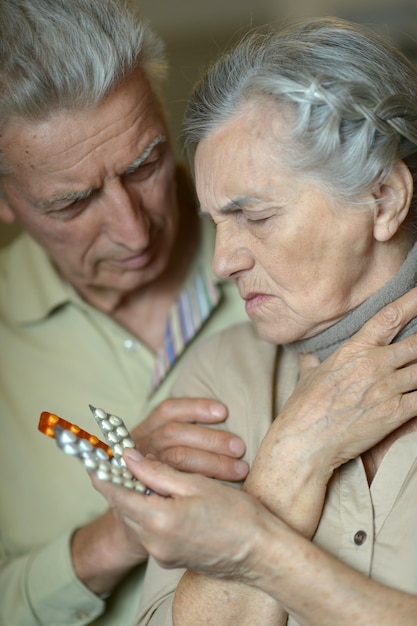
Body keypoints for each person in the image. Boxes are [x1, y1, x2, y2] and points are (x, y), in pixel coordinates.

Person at [90, 16, 417, 626]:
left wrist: (255, 546)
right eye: (217, 222)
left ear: (384, 200)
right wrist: (290, 459)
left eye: (256, 217)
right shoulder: (219, 376)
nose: (221, 263)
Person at [0, 1, 252, 625]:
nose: (133, 231)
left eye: (145, 165)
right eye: (72, 203)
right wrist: (113, 537)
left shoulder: (300, 252)